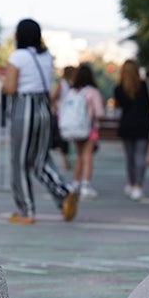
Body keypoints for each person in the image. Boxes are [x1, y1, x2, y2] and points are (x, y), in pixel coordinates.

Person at [1, 18, 78, 224]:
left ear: (19, 35)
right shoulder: (46, 57)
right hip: (44, 108)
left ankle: (26, 210)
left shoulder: (18, 56)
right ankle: (64, 192)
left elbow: (10, 88)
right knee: (40, 159)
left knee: (19, 162)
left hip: (24, 109)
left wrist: (4, 80)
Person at [51, 63, 103, 199]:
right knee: (87, 155)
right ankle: (86, 184)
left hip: (74, 127)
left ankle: (75, 183)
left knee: (79, 156)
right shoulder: (92, 92)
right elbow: (99, 113)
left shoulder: (72, 91)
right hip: (89, 127)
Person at [113, 59, 149, 201]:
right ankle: (138, 186)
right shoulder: (145, 85)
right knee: (140, 157)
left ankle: (131, 183)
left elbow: (119, 107)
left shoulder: (119, 88)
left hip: (126, 125)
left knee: (129, 158)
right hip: (143, 125)